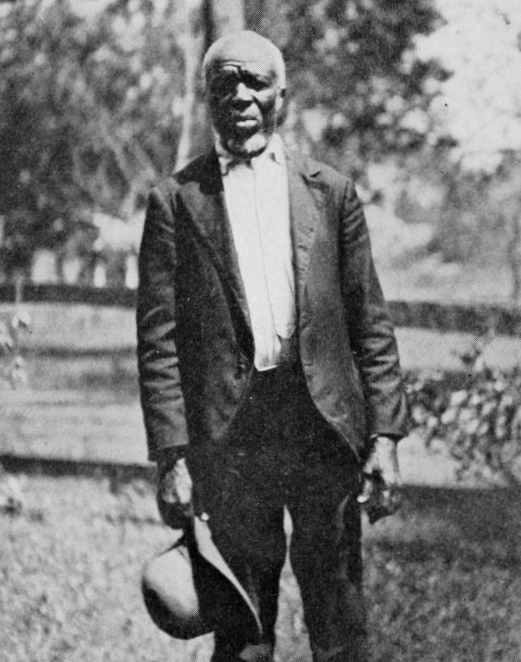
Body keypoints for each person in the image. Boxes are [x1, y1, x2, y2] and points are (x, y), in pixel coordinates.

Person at [137, 30, 408, 662]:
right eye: (224, 84)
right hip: (232, 434)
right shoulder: (175, 201)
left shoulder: (331, 193)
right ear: (207, 98)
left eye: (255, 82)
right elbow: (158, 344)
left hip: (323, 426)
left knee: (339, 618)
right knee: (244, 629)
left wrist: (385, 437)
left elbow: (371, 323)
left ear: (281, 95)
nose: (241, 96)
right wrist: (172, 456)